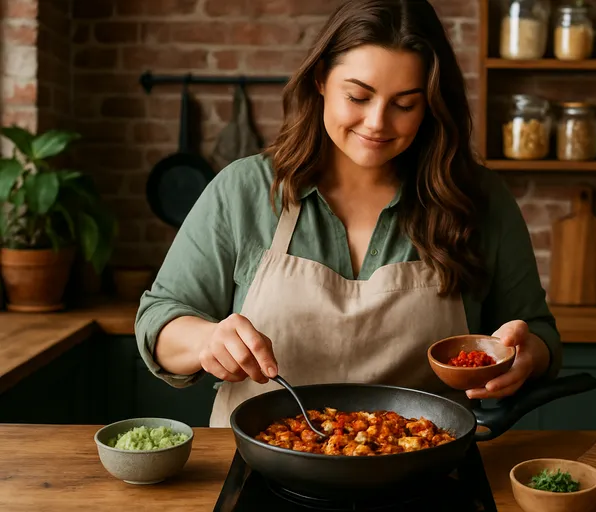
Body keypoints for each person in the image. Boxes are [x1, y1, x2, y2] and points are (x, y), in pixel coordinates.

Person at [135, 0, 562, 428]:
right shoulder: (243, 190)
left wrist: (526, 357)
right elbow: (159, 320)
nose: (377, 122)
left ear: (430, 103)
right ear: (320, 78)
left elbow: (539, 336)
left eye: (405, 104)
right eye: (358, 96)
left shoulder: (479, 199)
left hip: (428, 465)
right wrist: (207, 339)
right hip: (258, 465)